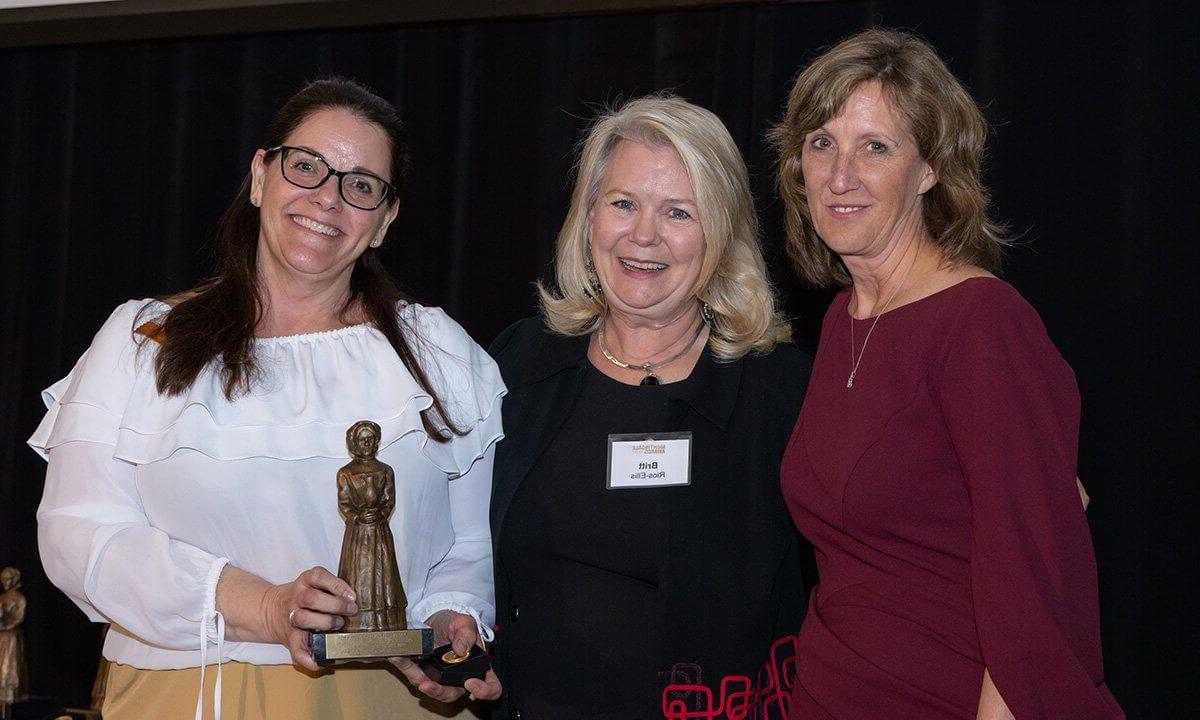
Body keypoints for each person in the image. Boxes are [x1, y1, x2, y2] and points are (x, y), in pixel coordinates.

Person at [30, 78, 504, 719]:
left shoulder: (438, 351)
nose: (327, 199)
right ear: (260, 176)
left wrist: (453, 620)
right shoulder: (142, 339)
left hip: (388, 700)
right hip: (189, 696)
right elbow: (77, 534)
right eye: (306, 167)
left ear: (386, 219)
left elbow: (467, 549)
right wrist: (263, 606)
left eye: (361, 185)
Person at [771, 29, 1123, 719]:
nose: (840, 175)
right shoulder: (845, 316)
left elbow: (1038, 590)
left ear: (929, 166)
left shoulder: (981, 325)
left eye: (875, 146)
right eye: (821, 143)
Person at [488, 96, 811, 719]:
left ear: (719, 232)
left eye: (678, 212)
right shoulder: (522, 365)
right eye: (623, 204)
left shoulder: (780, 392)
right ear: (587, 220)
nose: (644, 236)